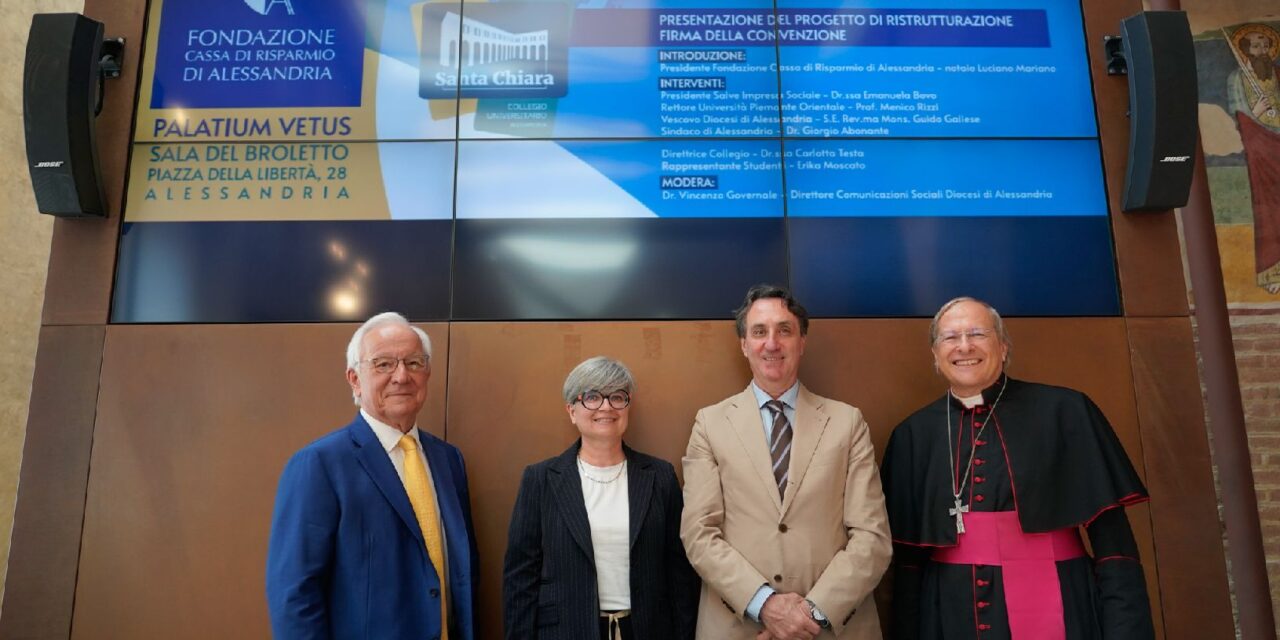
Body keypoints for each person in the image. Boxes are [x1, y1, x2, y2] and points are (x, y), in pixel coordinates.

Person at [880, 297, 1154, 639]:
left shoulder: (1065, 412)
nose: (964, 346)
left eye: (978, 333)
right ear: (935, 355)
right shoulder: (912, 435)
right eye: (950, 337)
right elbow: (908, 568)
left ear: (1004, 346)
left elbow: (1116, 550)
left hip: (1060, 602)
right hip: (949, 614)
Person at [681, 284, 891, 640]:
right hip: (740, 628)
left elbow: (871, 537)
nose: (772, 343)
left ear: (802, 342)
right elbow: (699, 534)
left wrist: (809, 617)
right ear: (744, 345)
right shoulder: (709, 424)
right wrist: (766, 605)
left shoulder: (847, 422)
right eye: (759, 332)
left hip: (832, 628)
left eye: (785, 330)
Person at [266, 312, 478, 640]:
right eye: (383, 364)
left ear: (428, 373)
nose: (401, 376)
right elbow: (294, 595)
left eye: (414, 363)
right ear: (354, 379)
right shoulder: (320, 464)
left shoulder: (448, 460)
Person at [502, 356, 699, 639]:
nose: (606, 407)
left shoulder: (660, 476)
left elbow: (680, 574)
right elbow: (520, 579)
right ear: (571, 410)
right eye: (592, 397)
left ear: (627, 406)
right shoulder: (541, 479)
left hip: (647, 630)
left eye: (617, 396)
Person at [1225, 23, 1280, 294]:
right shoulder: (1237, 78)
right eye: (1255, 45)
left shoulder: (1278, 74)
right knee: (1267, 209)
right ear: (1245, 50)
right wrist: (1256, 113)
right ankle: (1273, 273)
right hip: (1261, 152)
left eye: (1265, 44)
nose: (1261, 50)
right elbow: (1241, 119)